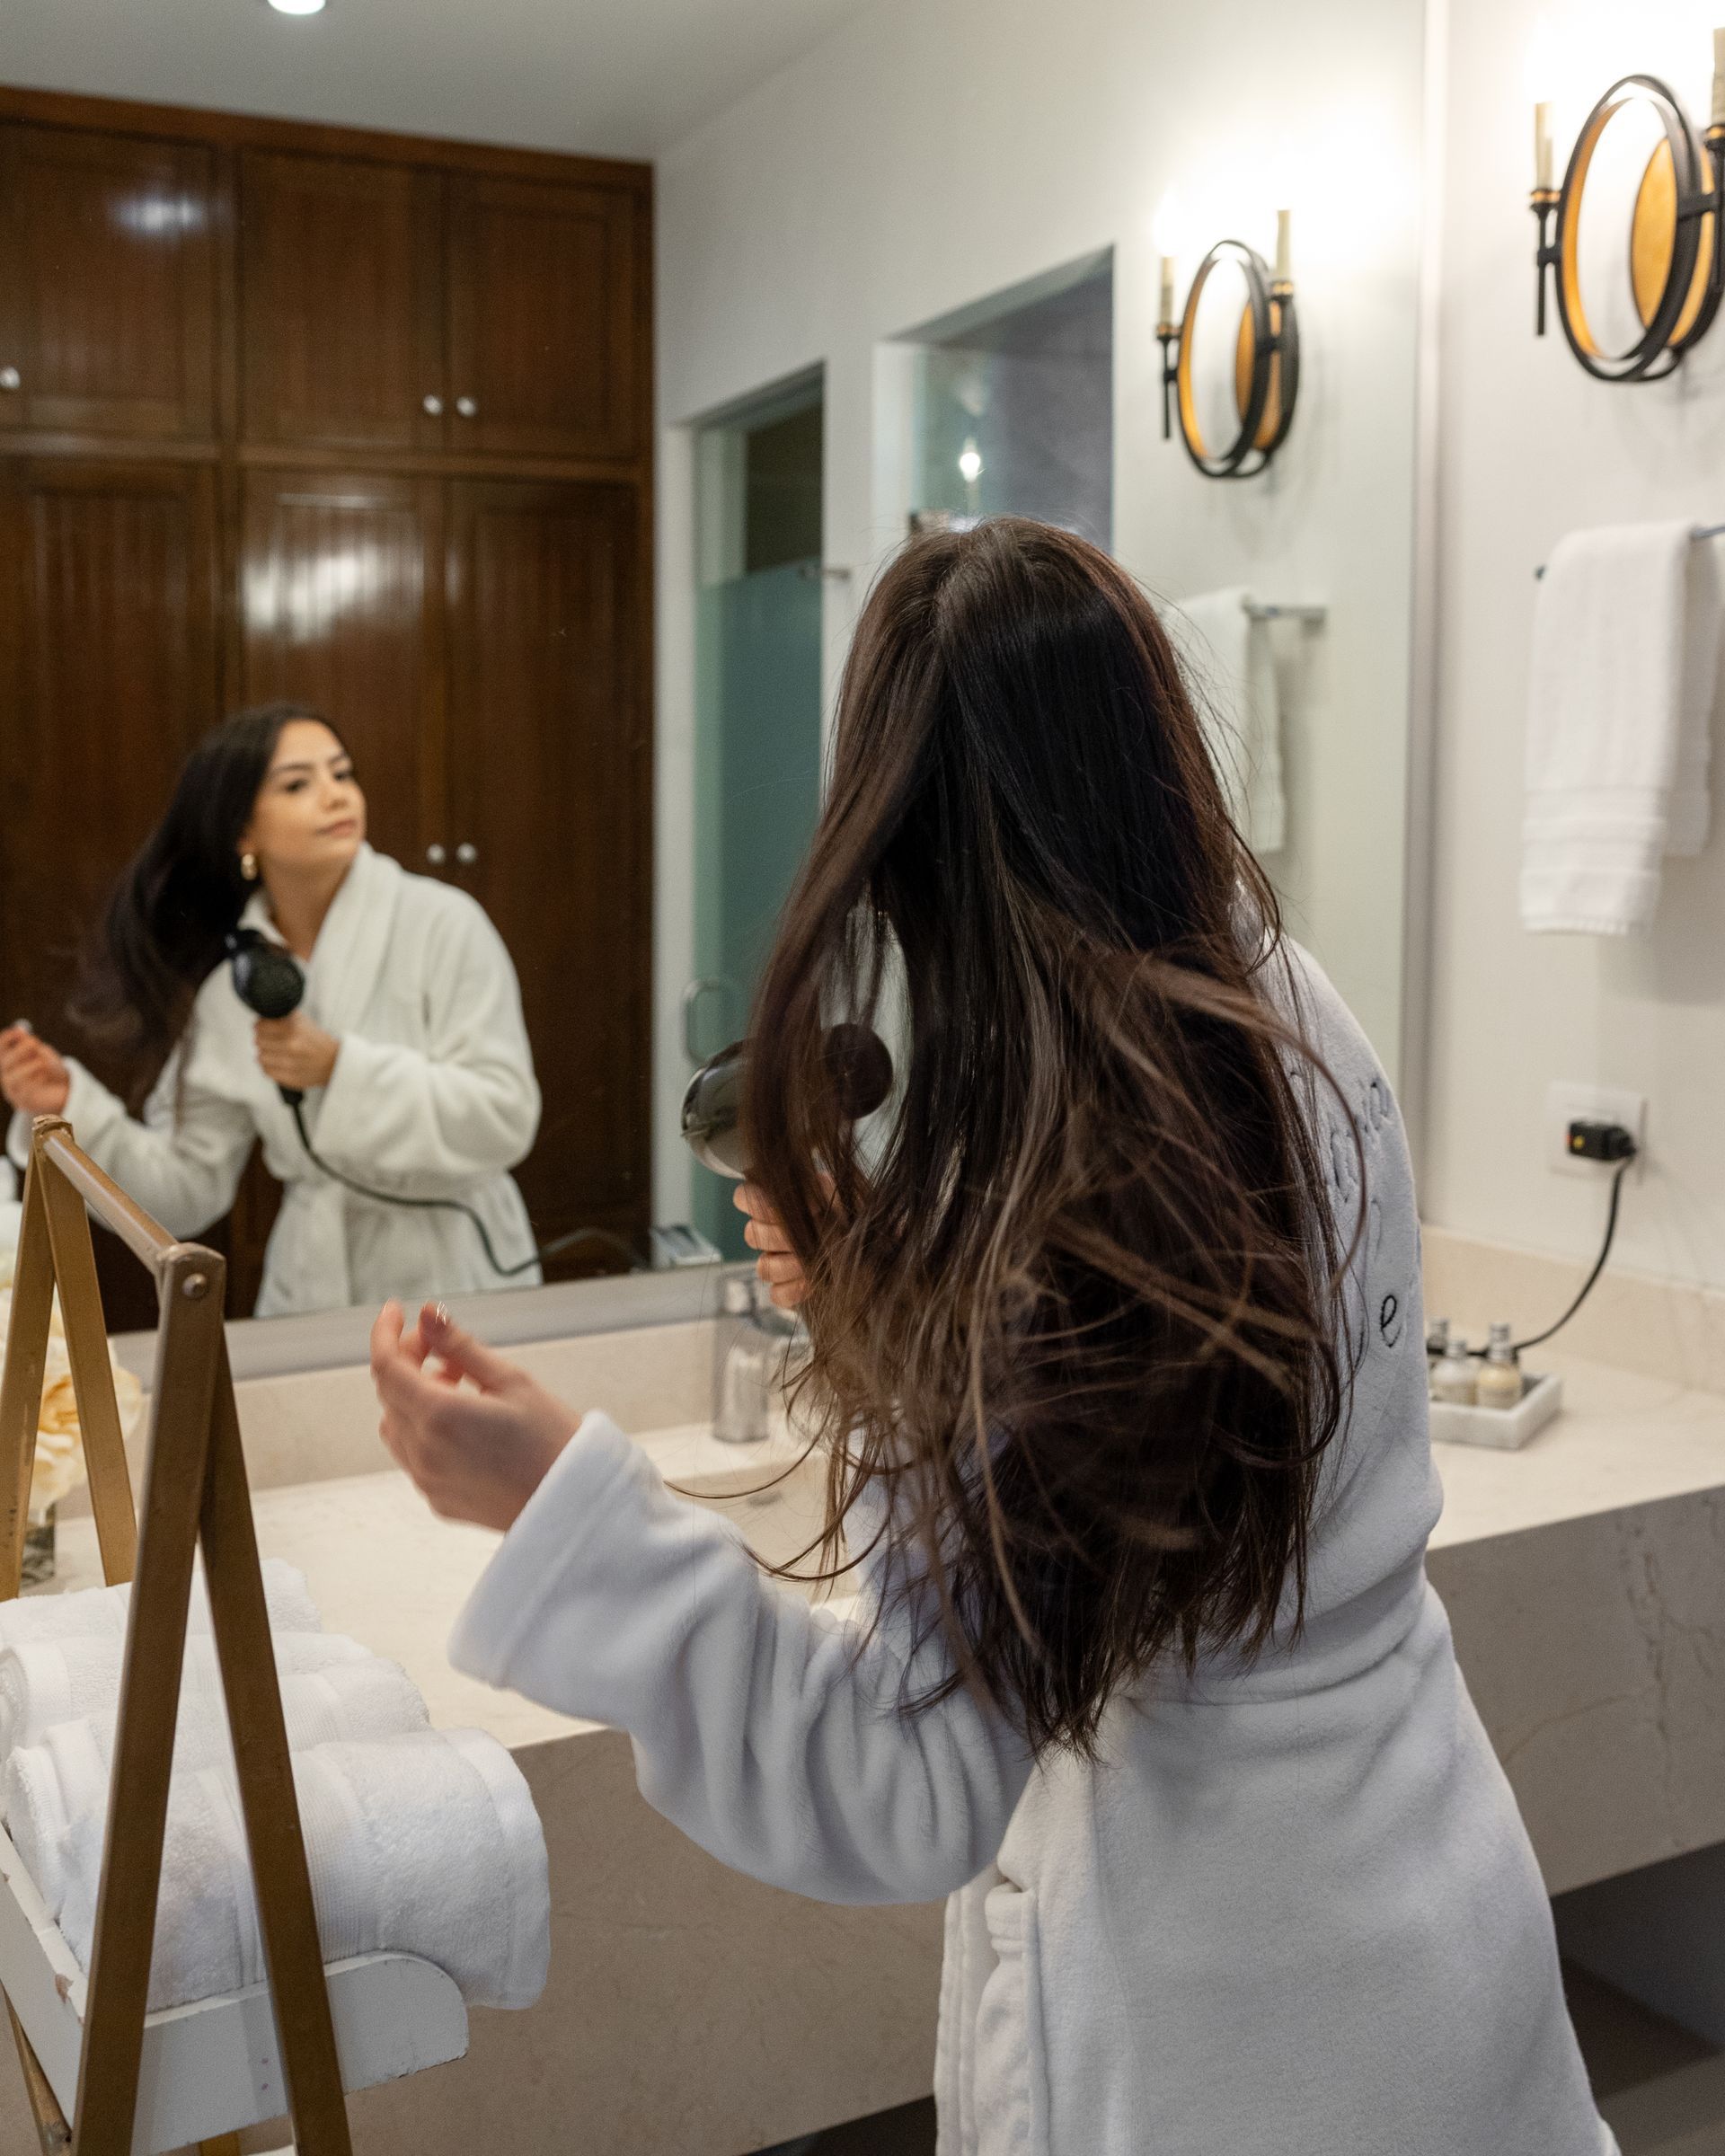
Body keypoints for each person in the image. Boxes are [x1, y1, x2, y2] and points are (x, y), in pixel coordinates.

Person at [370, 522, 1610, 2154]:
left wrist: (561, 1508)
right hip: (1434, 1928)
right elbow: (1160, 1421)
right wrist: (894, 1291)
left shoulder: (1068, 1185)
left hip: (1225, 2028)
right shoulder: (1286, 1012)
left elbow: (905, 1784)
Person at [2, 704, 541, 1318]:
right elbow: (183, 1189)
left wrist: (341, 1070)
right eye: (297, 784)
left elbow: (507, 1117)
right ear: (243, 833)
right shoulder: (238, 988)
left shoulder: (445, 925)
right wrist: (69, 1107)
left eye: (342, 774)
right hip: (312, 1288)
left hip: (458, 1276)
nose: (336, 796)